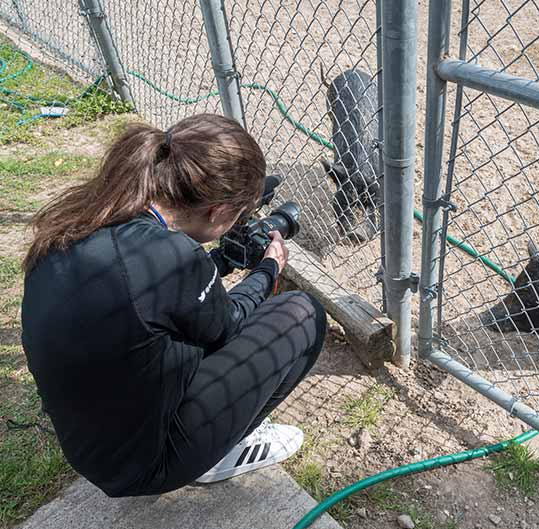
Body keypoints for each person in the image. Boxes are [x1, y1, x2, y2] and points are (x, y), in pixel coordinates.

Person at [20, 113, 326, 497]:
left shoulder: (93, 213)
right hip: (145, 464)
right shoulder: (175, 256)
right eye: (236, 217)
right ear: (216, 212)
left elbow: (156, 294)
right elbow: (226, 326)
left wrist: (221, 262)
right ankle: (223, 450)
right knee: (303, 314)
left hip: (91, 445)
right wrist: (268, 268)